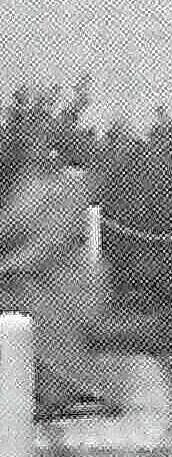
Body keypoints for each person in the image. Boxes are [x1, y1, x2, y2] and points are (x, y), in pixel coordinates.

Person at [0, 150, 107, 406]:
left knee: (35, 314)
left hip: (71, 277)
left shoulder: (71, 185)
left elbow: (53, 241)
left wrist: (10, 265)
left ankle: (67, 391)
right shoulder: (32, 181)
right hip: (39, 273)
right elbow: (12, 223)